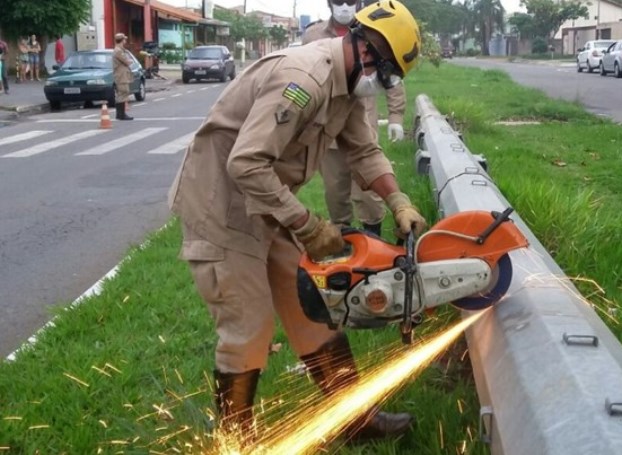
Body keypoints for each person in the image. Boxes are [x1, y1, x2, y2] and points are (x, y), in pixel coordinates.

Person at [169, 0, 425, 441]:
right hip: (222, 206)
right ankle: (236, 444)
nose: (381, 88)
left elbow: (363, 150)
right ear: (367, 53)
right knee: (248, 325)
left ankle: (353, 421)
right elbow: (246, 163)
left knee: (313, 309)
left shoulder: (347, 85)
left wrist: (398, 200)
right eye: (384, 77)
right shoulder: (302, 81)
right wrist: (307, 225)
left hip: (266, 202)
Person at [302, 0, 407, 237]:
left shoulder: (372, 31)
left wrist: (396, 116)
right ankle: (344, 245)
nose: (344, 7)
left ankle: (374, 239)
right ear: (330, 3)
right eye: (339, 1)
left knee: (369, 191)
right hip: (326, 130)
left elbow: (391, 73)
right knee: (335, 191)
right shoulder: (313, 35)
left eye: (350, 1)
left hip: (363, 125)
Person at [112, 33, 134, 120]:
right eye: (124, 39)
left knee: (123, 93)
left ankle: (120, 114)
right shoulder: (118, 51)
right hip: (121, 75)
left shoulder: (120, 50)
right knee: (123, 93)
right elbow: (127, 61)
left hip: (122, 75)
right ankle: (121, 114)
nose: (125, 41)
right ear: (121, 40)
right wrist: (130, 60)